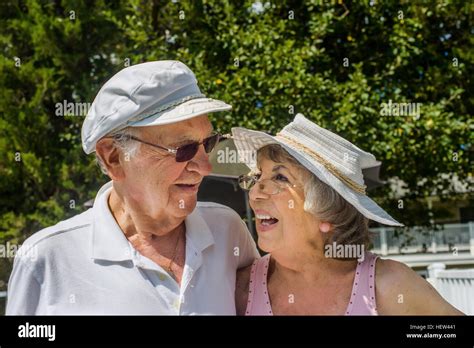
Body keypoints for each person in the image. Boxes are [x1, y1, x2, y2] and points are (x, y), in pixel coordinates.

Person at [6, 60, 259, 315]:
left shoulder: (228, 230)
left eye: (208, 143)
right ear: (113, 157)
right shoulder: (45, 259)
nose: (205, 167)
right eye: (184, 149)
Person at [233, 114, 463, 315]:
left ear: (328, 211)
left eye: (280, 178)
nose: (254, 193)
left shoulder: (389, 284)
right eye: (258, 177)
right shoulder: (239, 288)